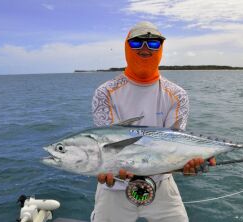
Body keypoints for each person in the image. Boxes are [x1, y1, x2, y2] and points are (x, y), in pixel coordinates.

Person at [91, 21, 215, 222]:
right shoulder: (105, 92)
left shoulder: (177, 94)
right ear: (126, 46)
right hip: (113, 187)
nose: (145, 48)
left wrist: (187, 164)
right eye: (137, 43)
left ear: (162, 47)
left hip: (162, 183)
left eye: (154, 43)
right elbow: (106, 147)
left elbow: (176, 144)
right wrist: (104, 168)